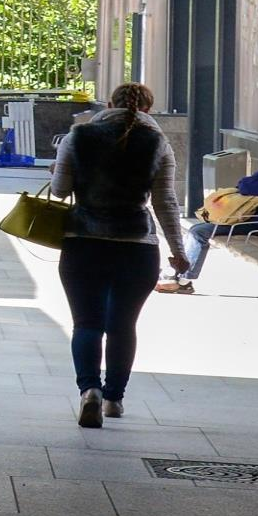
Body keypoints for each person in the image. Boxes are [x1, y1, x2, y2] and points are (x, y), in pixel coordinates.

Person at [49, 82, 187, 428]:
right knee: (123, 325)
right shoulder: (157, 143)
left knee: (87, 323)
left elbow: (60, 190)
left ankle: (89, 391)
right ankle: (113, 399)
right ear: (148, 110)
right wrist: (178, 251)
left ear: (108, 103)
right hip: (137, 248)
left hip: (84, 243)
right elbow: (165, 203)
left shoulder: (78, 137)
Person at [156, 165, 258, 294]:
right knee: (198, 229)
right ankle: (177, 275)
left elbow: (246, 186)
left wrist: (245, 182)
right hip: (252, 220)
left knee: (199, 232)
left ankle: (180, 278)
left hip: (256, 223)